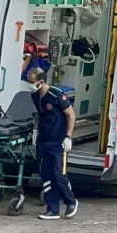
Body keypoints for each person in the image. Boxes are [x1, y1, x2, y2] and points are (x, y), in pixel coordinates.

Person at [28, 68, 79, 221]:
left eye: (31, 82)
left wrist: (68, 137)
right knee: (46, 175)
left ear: (41, 81)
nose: (29, 85)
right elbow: (39, 113)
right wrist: (35, 131)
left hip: (58, 142)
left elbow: (71, 115)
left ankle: (71, 201)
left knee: (60, 175)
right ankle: (52, 209)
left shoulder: (56, 95)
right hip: (44, 140)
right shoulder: (35, 96)